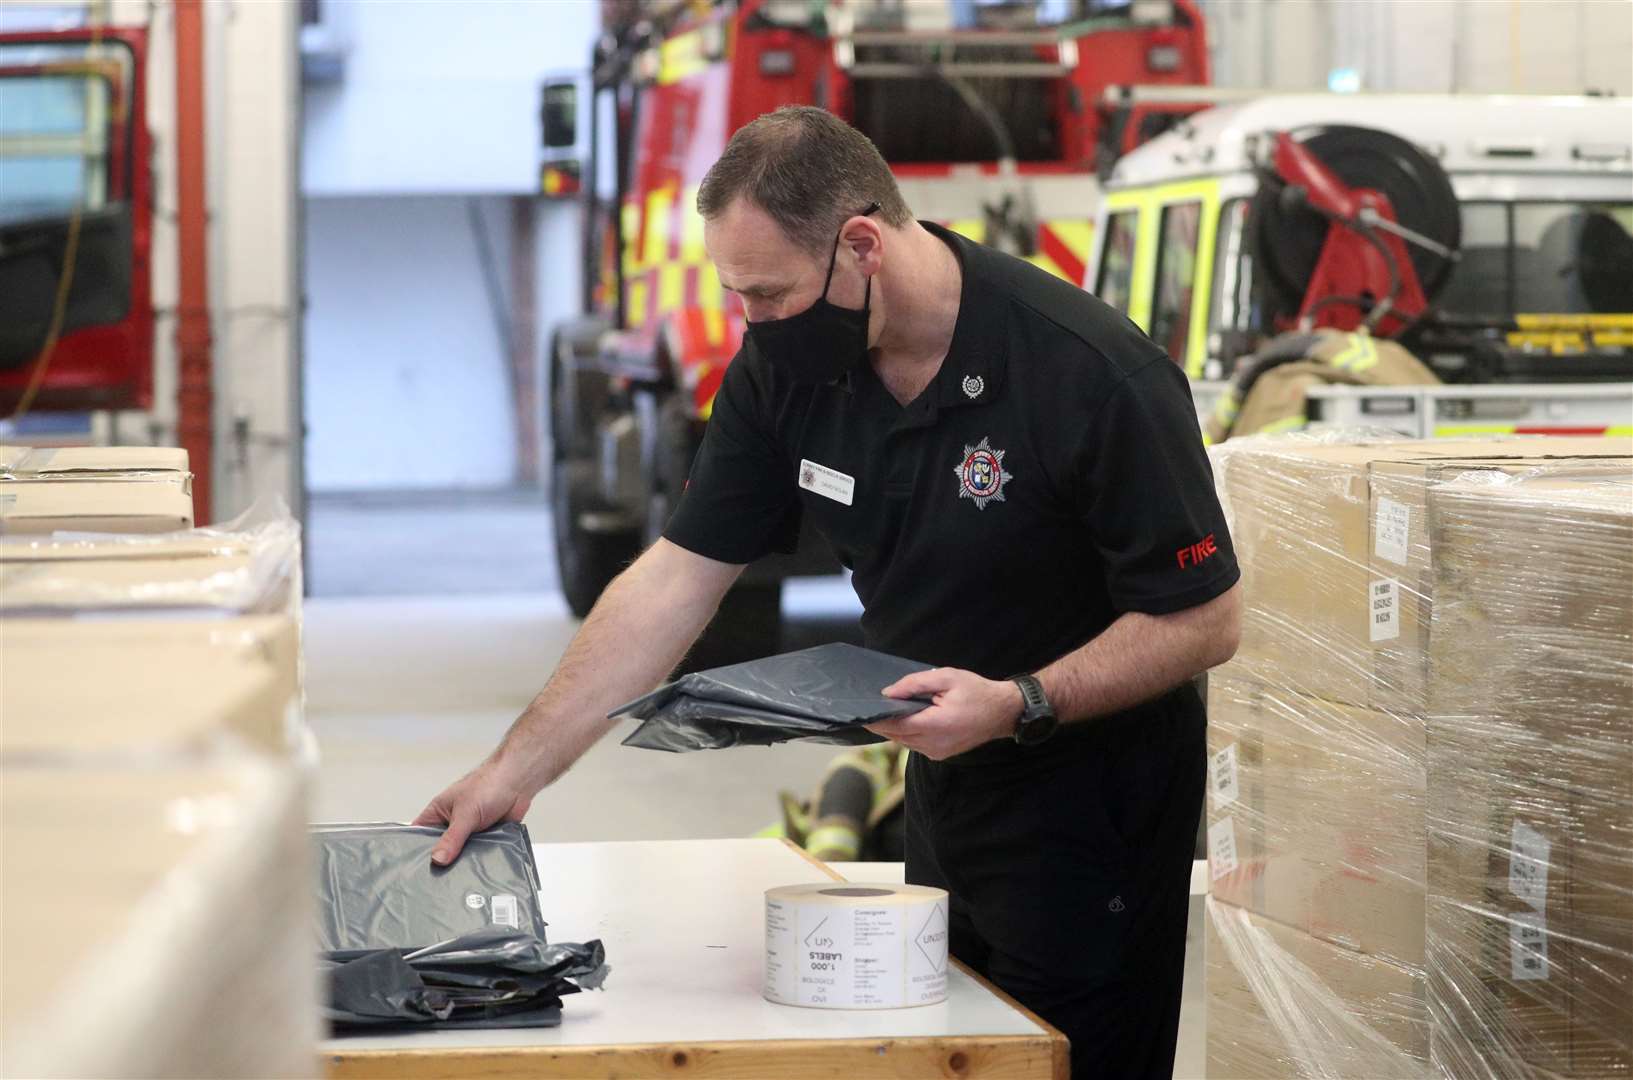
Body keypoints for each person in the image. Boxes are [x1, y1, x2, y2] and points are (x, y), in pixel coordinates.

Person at [416, 105, 1242, 1078]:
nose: (749, 322)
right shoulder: (787, 374)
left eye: (767, 294)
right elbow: (677, 579)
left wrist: (1021, 701)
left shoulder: (1089, 374)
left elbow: (1203, 620)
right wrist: (514, 773)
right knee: (961, 1054)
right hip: (946, 783)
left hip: (1094, 808)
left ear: (861, 246)